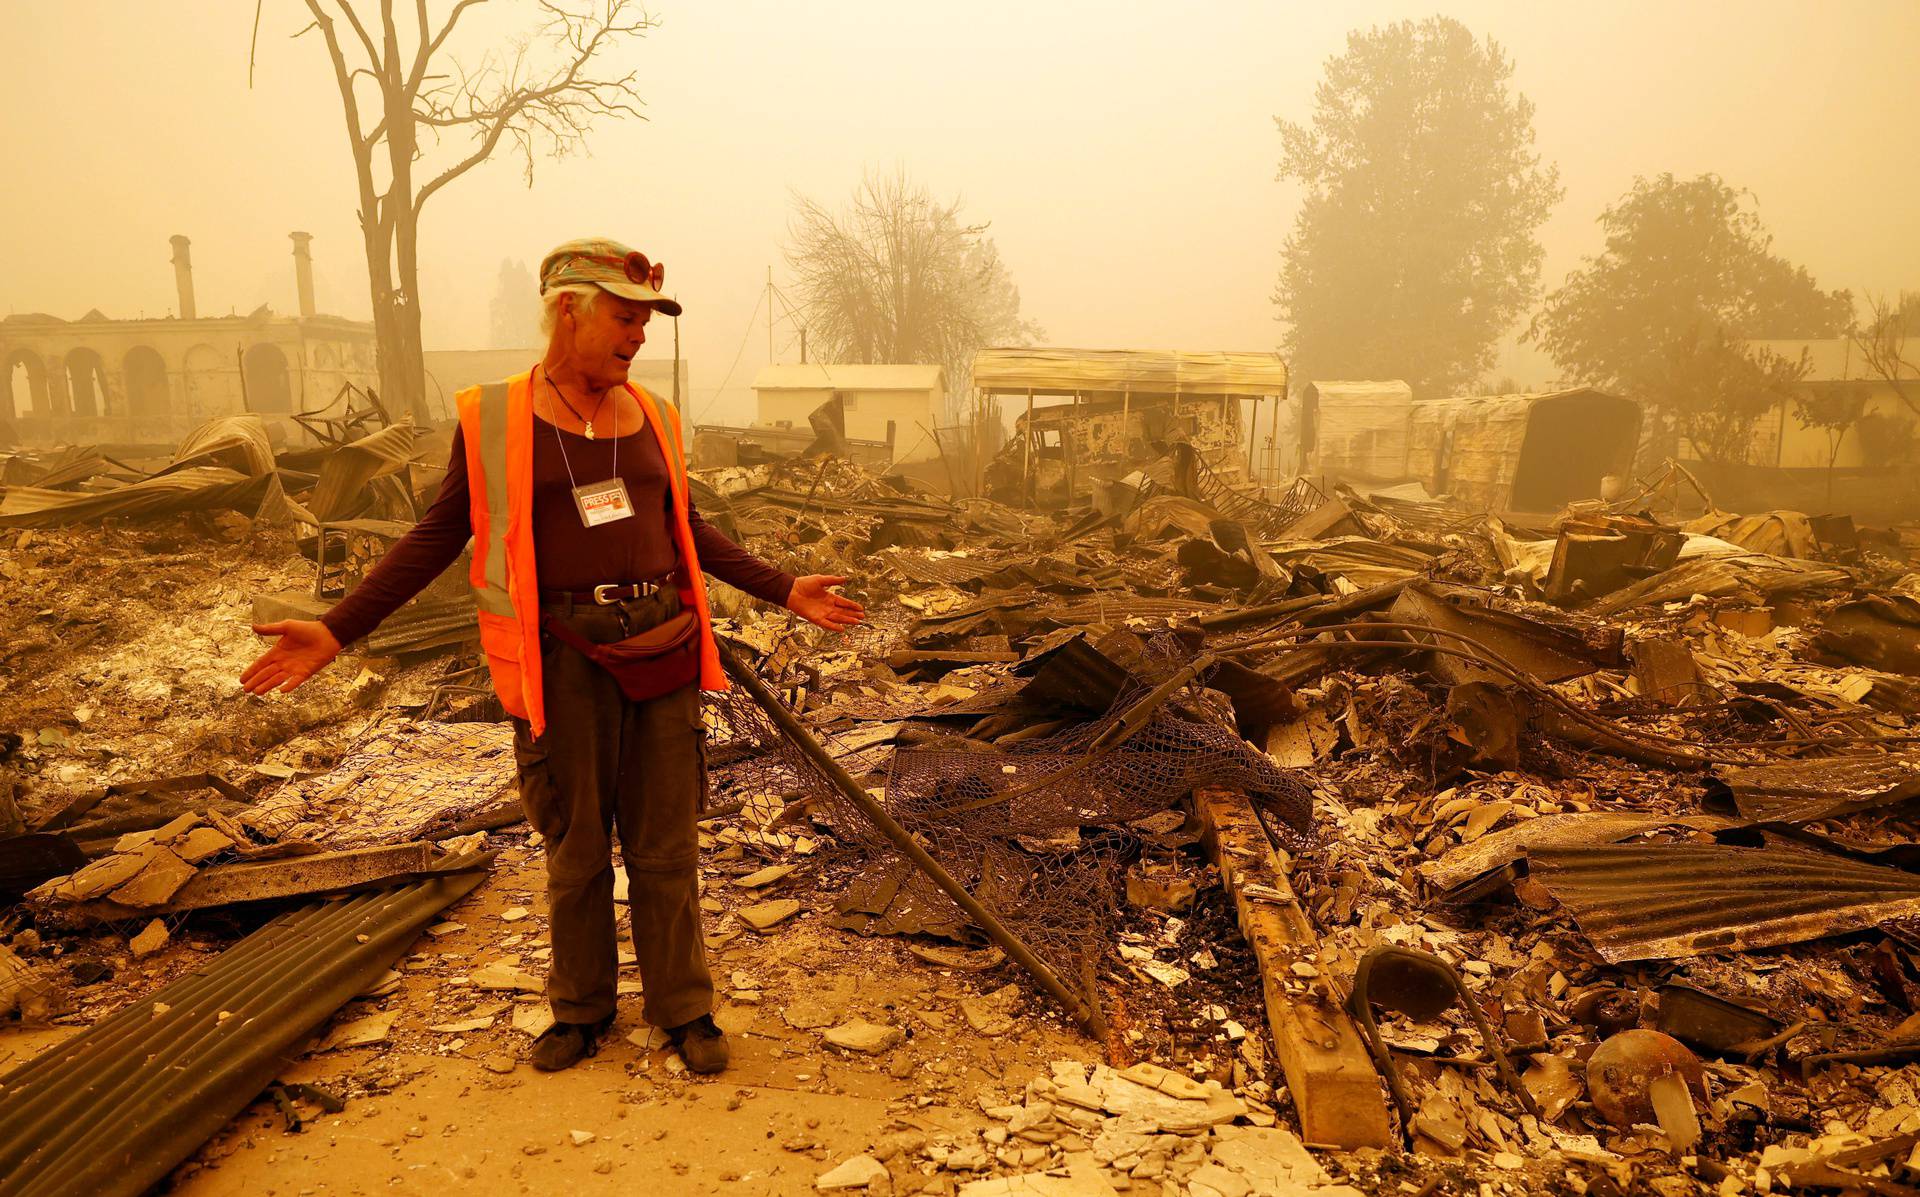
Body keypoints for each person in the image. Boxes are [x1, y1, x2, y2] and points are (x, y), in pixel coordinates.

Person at [240, 238, 864, 1074]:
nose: (638, 334)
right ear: (567, 308)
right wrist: (338, 626)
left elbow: (691, 527)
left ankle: (684, 1007)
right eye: (623, 315)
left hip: (666, 649)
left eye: (646, 319)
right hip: (563, 660)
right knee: (575, 849)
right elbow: (436, 535)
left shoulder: (657, 418)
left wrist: (783, 587)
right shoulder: (496, 418)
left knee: (667, 846)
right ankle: (581, 1009)